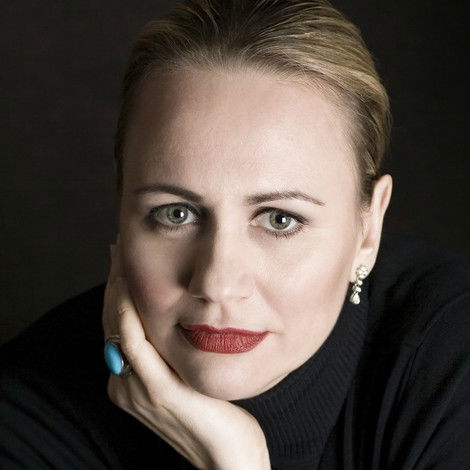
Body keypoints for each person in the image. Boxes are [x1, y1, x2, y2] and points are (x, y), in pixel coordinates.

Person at [1, 0, 469, 468]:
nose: (217, 284)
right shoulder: (26, 416)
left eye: (280, 219)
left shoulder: (451, 359)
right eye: (176, 214)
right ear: (121, 208)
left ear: (368, 231)